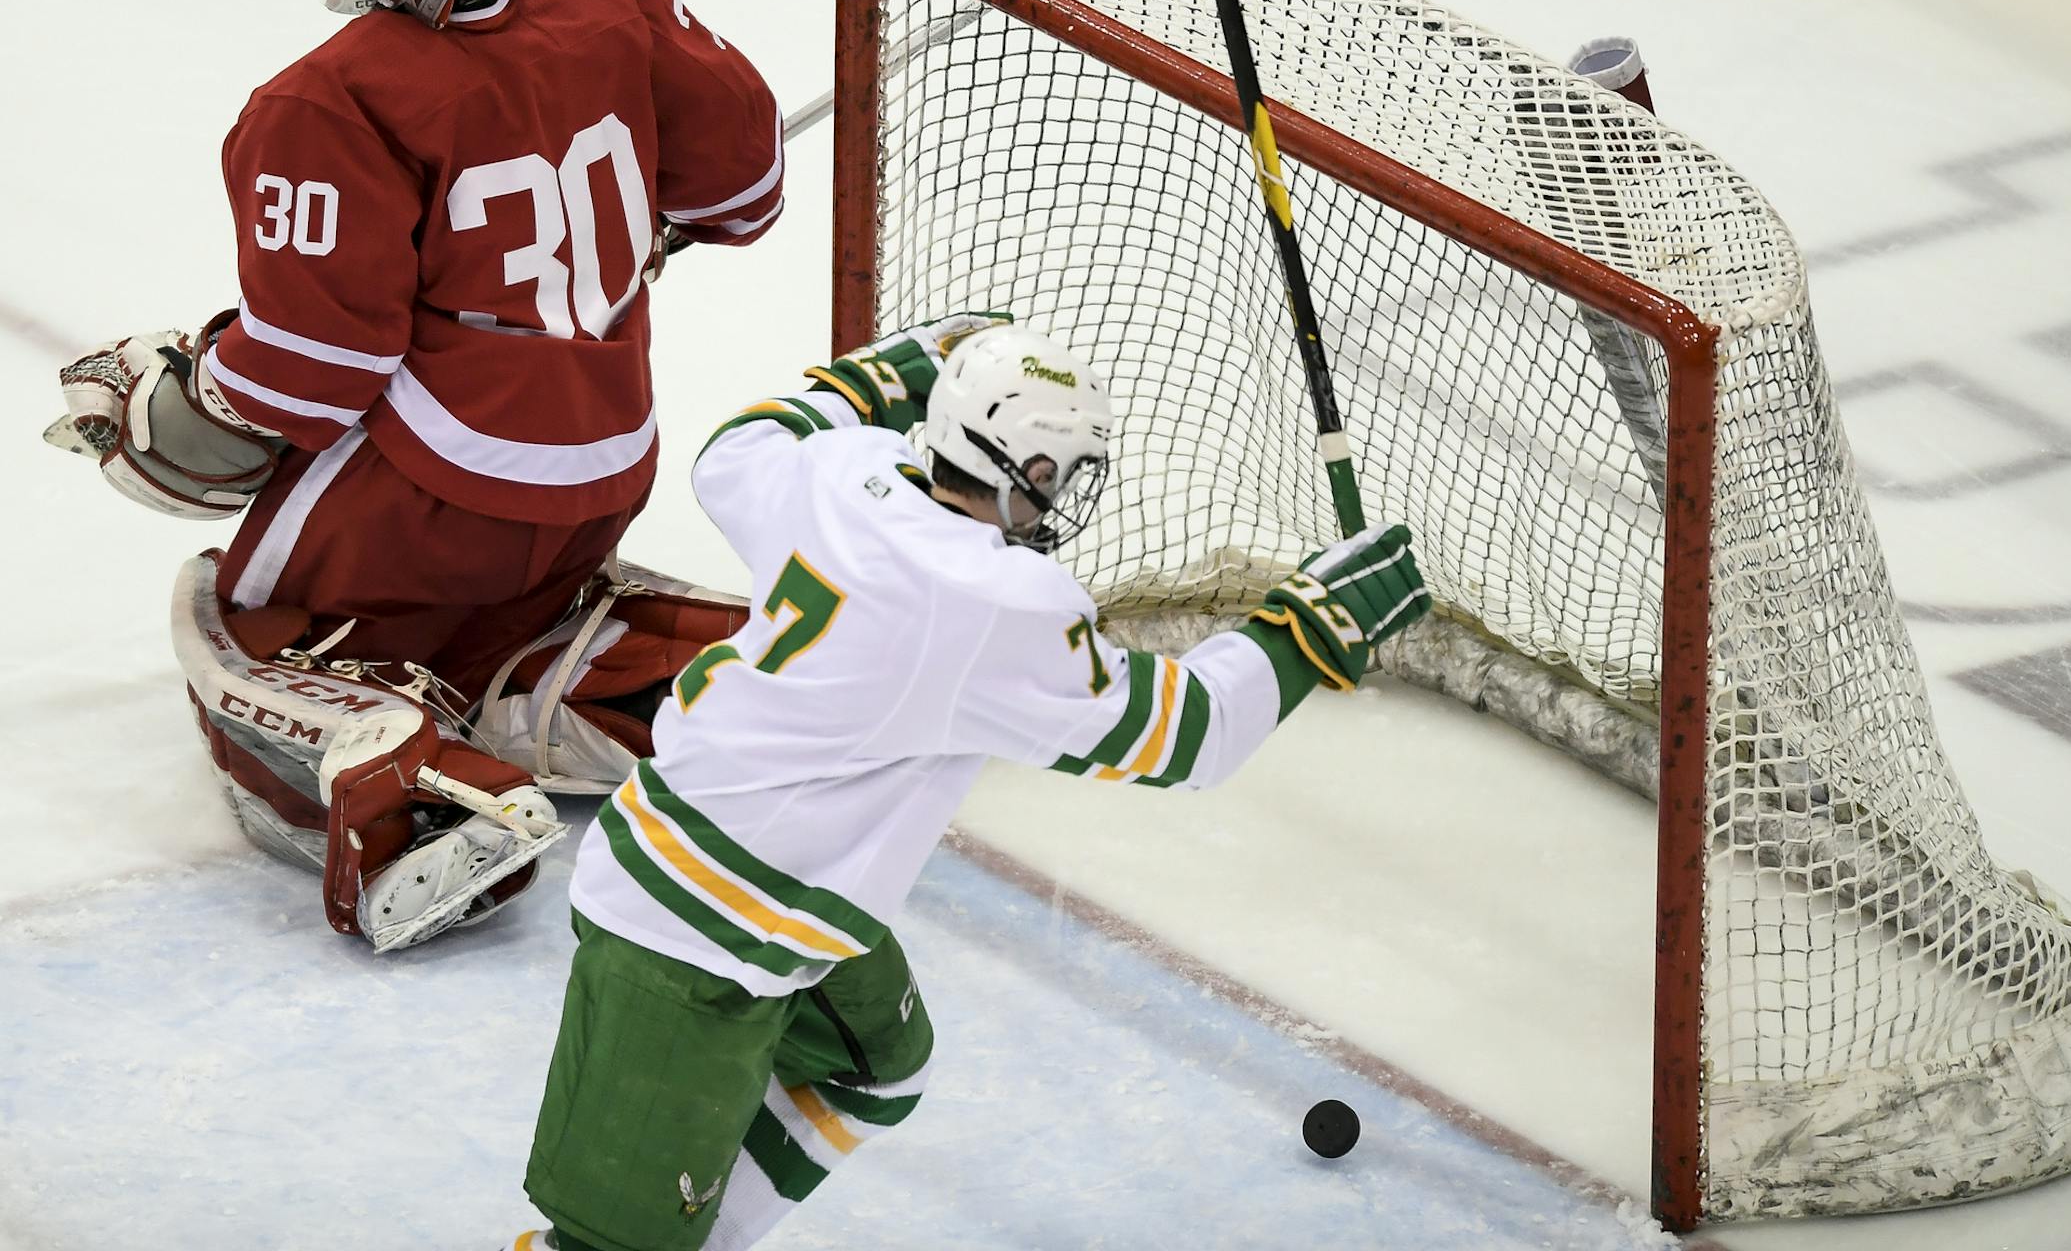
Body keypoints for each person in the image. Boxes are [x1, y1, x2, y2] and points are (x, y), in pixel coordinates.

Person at [503, 318, 1431, 1251]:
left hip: (742, 886)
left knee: (876, 1065)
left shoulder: (839, 471)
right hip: (685, 943)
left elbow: (740, 449)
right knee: (601, 1247)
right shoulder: (995, 606)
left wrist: (888, 373)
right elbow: (1194, 734)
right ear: (1029, 470)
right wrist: (1315, 626)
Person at [45, 0, 775, 951]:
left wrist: (189, 388)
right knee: (519, 614)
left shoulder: (330, 101)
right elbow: (743, 190)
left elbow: (314, 375)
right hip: (609, 457)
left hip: (450, 482)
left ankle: (412, 798)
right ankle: (702, 686)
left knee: (246, 633)